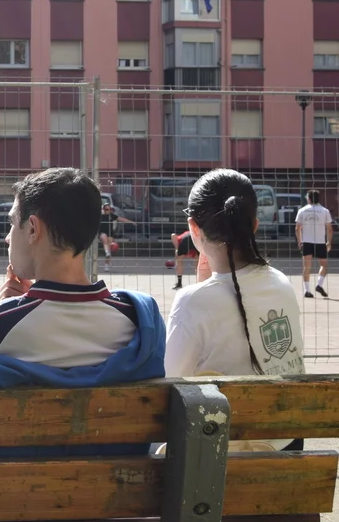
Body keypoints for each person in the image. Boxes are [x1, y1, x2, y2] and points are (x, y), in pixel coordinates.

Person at [0, 168, 165, 457]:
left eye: (12, 224)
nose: (7, 238)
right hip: (115, 482)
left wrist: (4, 310)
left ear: (33, 229)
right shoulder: (140, 322)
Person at [166, 169, 305, 450]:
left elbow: (171, 382)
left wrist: (201, 288)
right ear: (254, 225)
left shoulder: (192, 302)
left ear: (193, 228)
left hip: (226, 457)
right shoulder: (281, 283)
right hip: (288, 443)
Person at [295, 190, 333, 298]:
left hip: (306, 241)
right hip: (320, 242)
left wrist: (299, 241)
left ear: (309, 198)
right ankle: (319, 285)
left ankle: (307, 290)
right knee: (324, 265)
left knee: (307, 267)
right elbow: (330, 229)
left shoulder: (302, 210)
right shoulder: (325, 211)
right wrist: (329, 242)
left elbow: (297, 228)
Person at [98, 203, 135, 273]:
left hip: (110, 233)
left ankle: (107, 264)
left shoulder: (111, 215)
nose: (108, 211)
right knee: (105, 239)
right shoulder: (100, 216)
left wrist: (131, 222)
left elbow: (121, 219)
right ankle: (107, 253)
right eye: (106, 209)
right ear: (103, 209)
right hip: (102, 232)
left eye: (109, 209)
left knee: (109, 245)